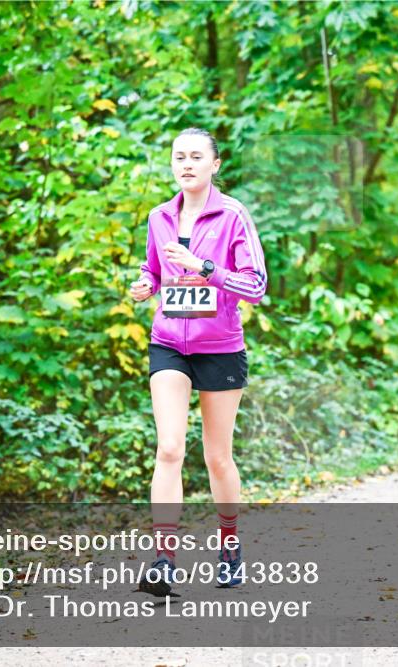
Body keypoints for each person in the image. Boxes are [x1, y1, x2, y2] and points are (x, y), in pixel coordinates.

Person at [129, 128, 267, 596]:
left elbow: (256, 285)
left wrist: (204, 266)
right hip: (168, 340)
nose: (185, 164)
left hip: (220, 346)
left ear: (215, 164)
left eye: (195, 157)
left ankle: (229, 548)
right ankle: (164, 561)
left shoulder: (233, 215)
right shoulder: (158, 216)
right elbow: (153, 269)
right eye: (178, 157)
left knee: (216, 456)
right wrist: (146, 284)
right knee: (169, 448)